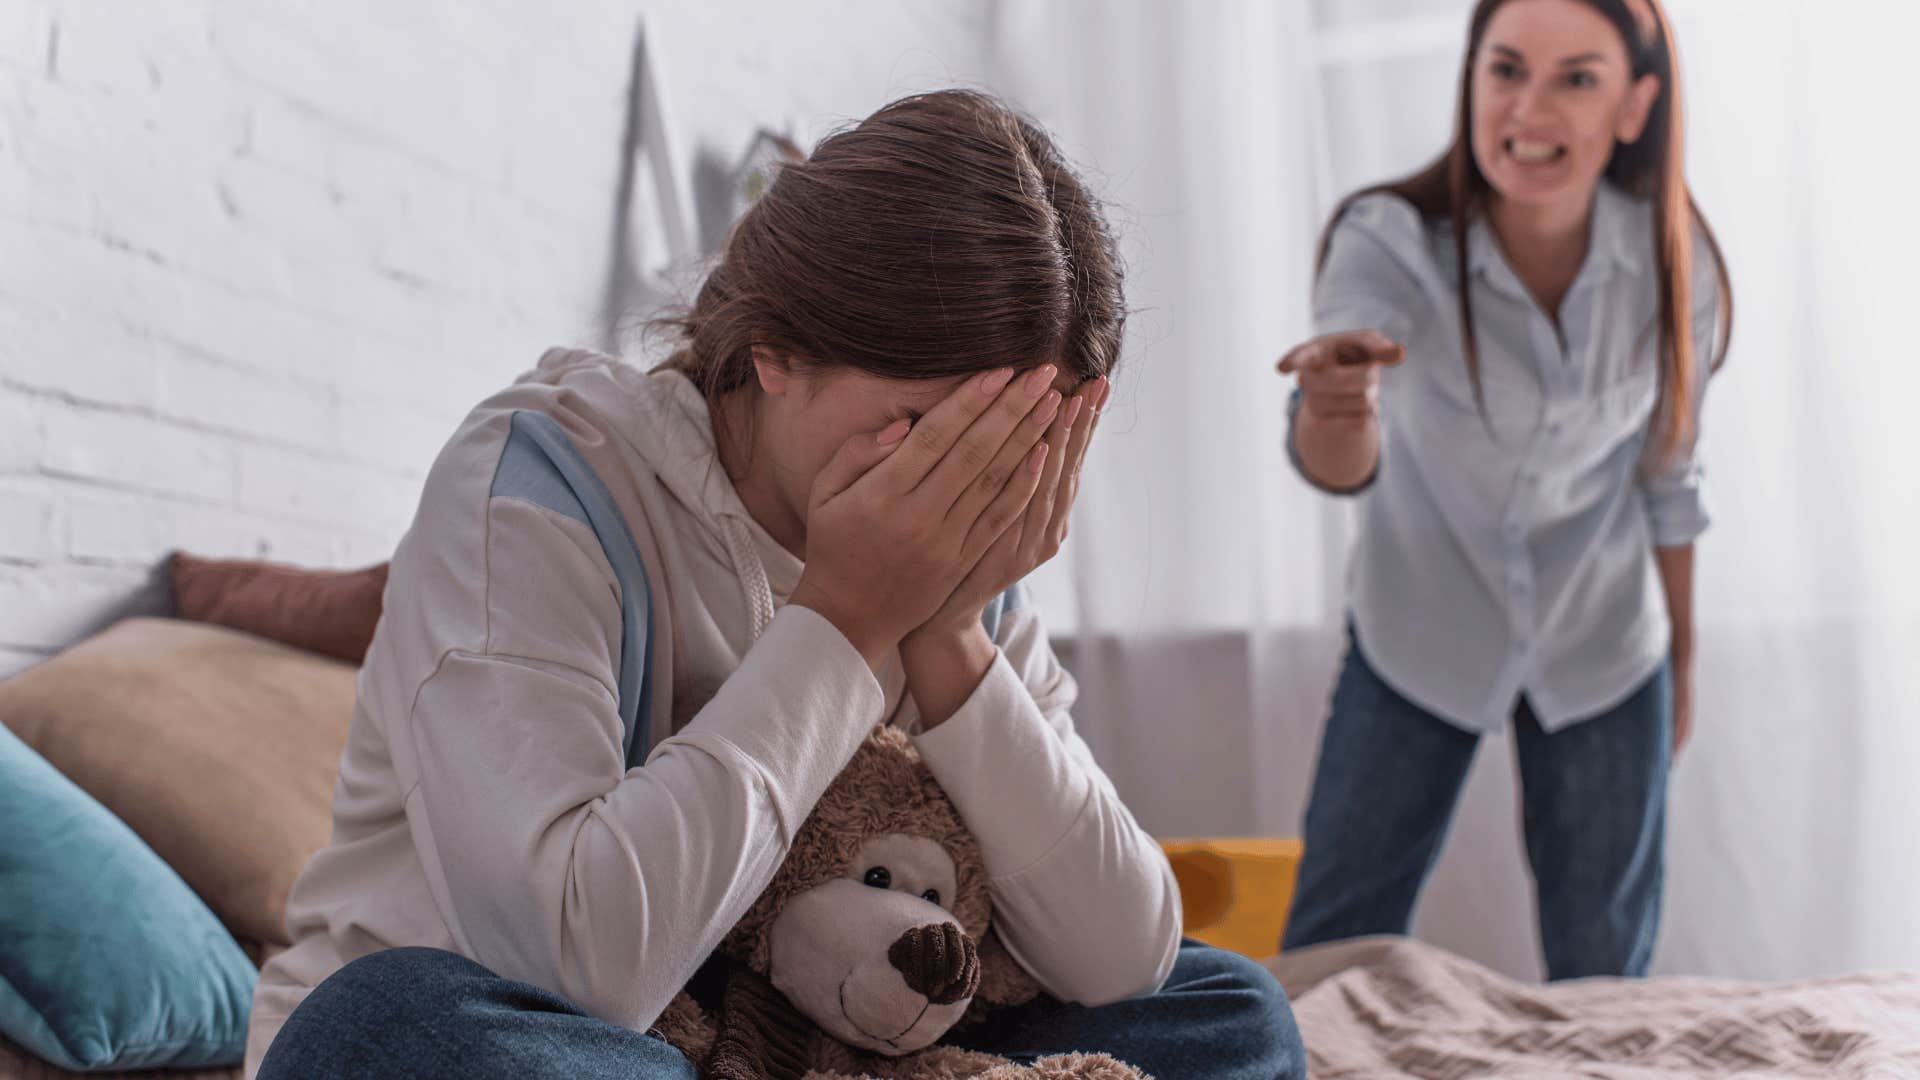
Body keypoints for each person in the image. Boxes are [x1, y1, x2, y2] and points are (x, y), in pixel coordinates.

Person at [249, 90, 1304, 1080]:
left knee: (1225, 1013)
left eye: (1014, 448)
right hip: (565, 1033)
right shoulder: (540, 482)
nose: (962, 487)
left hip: (824, 1049)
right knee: (382, 1031)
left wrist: (947, 634)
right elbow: (578, 964)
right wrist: (846, 618)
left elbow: (1122, 961)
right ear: (773, 352)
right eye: (931, 431)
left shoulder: (969, 555)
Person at [1276, 0, 1732, 980]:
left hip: (1606, 650)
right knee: (1329, 955)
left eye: (1577, 78)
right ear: (1472, 77)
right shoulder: (1388, 240)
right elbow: (1337, 465)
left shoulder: (1673, 261)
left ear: (1634, 104)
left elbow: (1670, 475)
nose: (1530, 107)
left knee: (1606, 974)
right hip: (1418, 638)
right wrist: (1339, 400)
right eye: (1506, 69)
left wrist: (1683, 660)